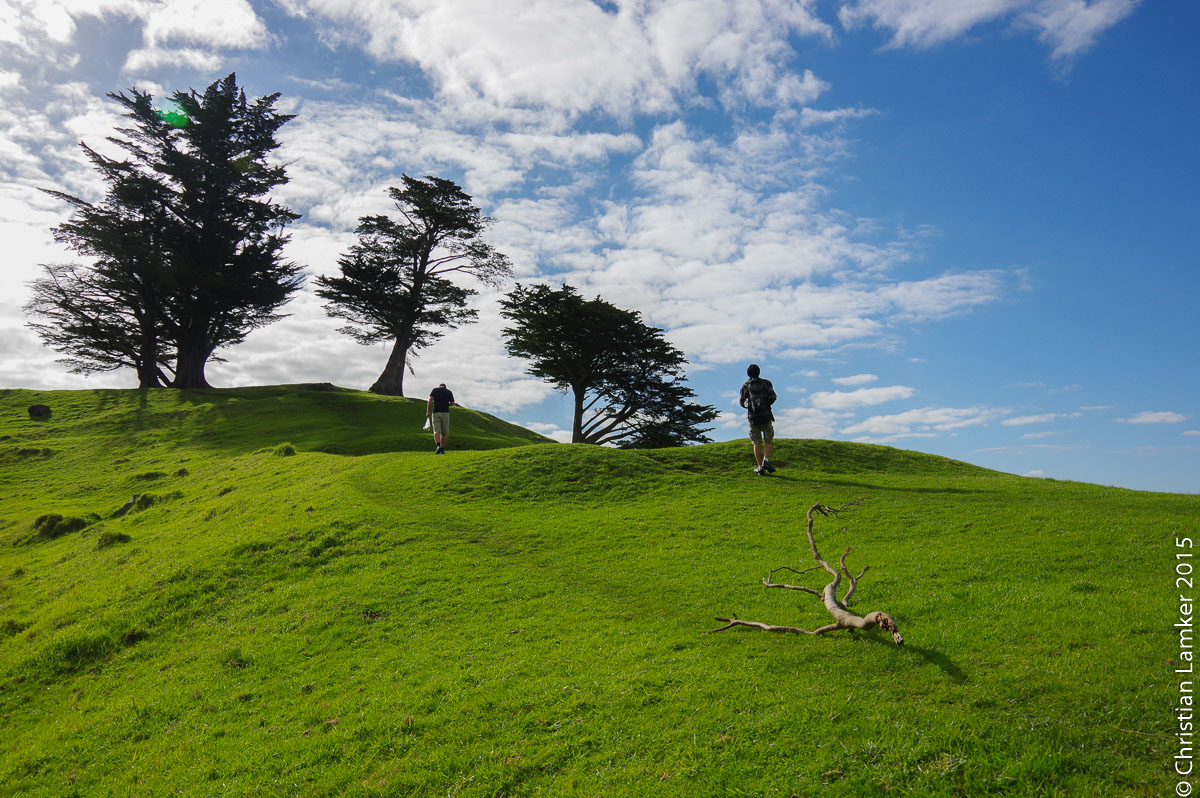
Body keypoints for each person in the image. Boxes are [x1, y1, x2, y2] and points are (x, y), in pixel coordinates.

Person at [739, 364, 777, 475]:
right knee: (768, 440)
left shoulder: (745, 385)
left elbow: (742, 402)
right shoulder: (766, 383)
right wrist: (766, 405)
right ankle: (766, 460)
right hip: (766, 415)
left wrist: (750, 407)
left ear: (748, 374)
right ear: (759, 372)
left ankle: (760, 467)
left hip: (753, 418)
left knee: (756, 442)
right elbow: (773, 397)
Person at [426, 383, 457, 454]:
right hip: (445, 413)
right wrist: (447, 404)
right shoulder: (449, 392)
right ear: (445, 387)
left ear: (439, 386)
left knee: (436, 430)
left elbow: (430, 400)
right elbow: (452, 403)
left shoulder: (435, 390)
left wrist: (428, 411)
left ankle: (438, 445)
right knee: (444, 433)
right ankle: (442, 449)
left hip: (436, 412)